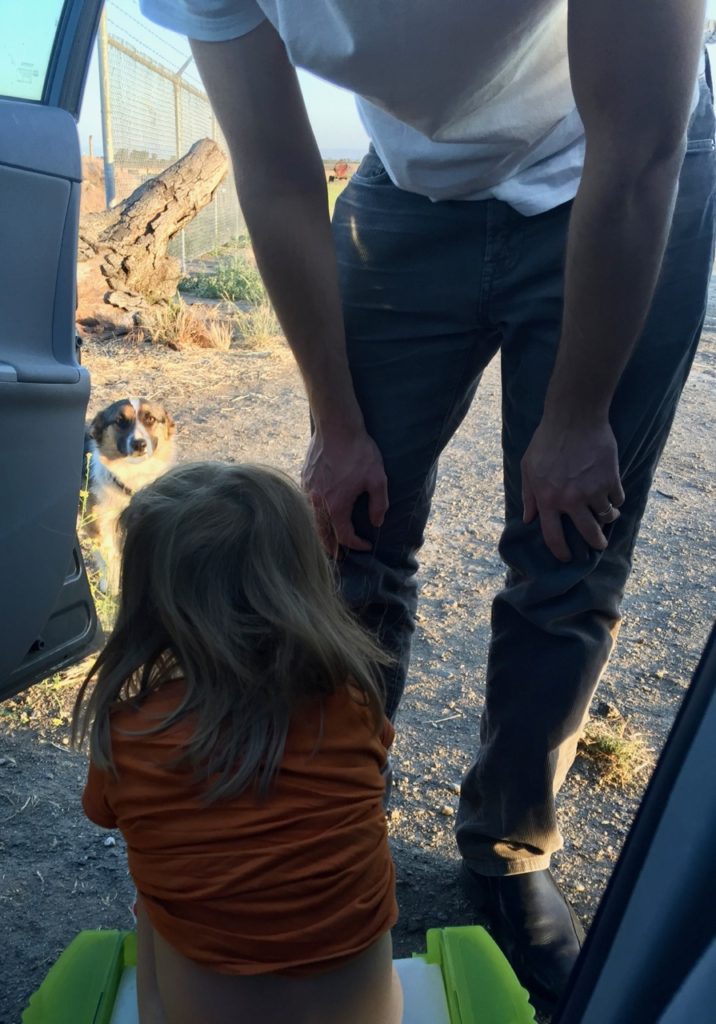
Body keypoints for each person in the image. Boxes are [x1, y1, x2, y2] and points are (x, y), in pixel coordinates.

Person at [139, 0, 716, 1011]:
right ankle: (336, 811)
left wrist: (576, 416)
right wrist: (335, 423)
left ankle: (505, 847)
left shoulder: (625, 157)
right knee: (346, 528)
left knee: (567, 544)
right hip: (411, 190)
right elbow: (276, 176)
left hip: (614, 165)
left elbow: (635, 149)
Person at [73, 462, 402, 1024]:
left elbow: (105, 815)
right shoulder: (352, 700)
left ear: (151, 603)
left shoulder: (129, 733)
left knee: (154, 893)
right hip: (370, 1014)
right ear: (304, 578)